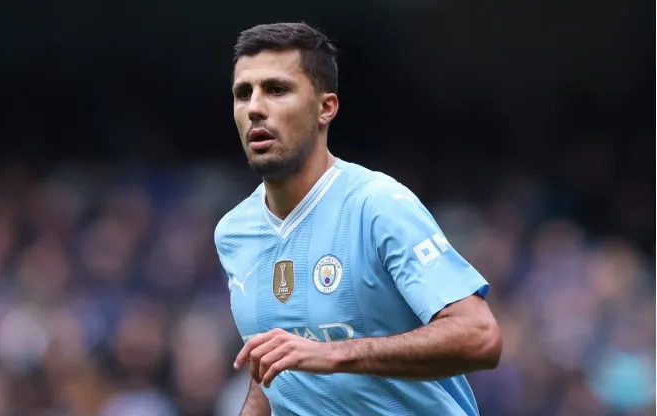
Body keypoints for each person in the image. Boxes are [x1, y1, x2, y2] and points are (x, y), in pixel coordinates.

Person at [214, 22, 502, 416]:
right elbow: (277, 372)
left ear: (325, 107)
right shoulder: (233, 233)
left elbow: (479, 337)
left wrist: (333, 354)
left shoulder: (377, 205)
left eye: (277, 89)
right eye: (242, 93)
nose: (255, 107)